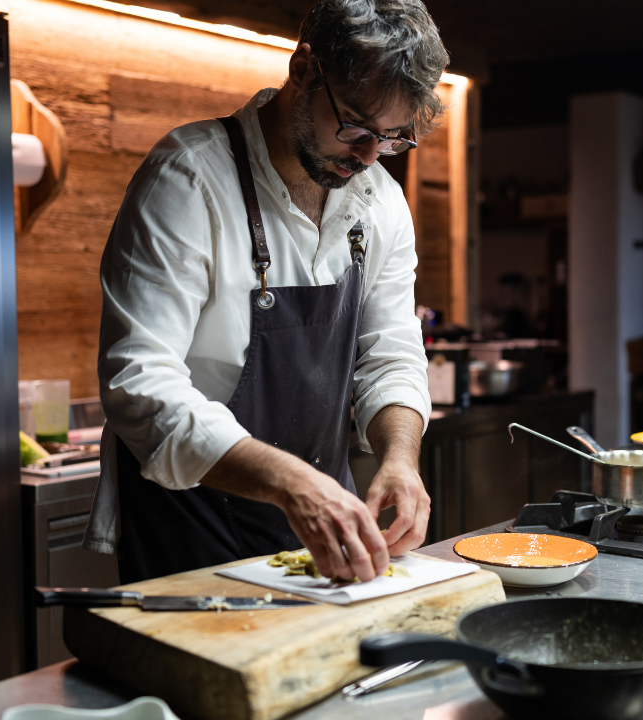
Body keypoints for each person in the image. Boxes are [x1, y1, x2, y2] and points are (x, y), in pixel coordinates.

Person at [82, 0, 448, 584]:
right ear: (303, 69)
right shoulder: (189, 178)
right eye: (354, 125)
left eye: (392, 138)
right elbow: (138, 383)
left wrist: (401, 460)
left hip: (316, 522)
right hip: (190, 526)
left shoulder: (379, 200)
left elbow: (392, 354)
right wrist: (293, 483)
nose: (370, 156)